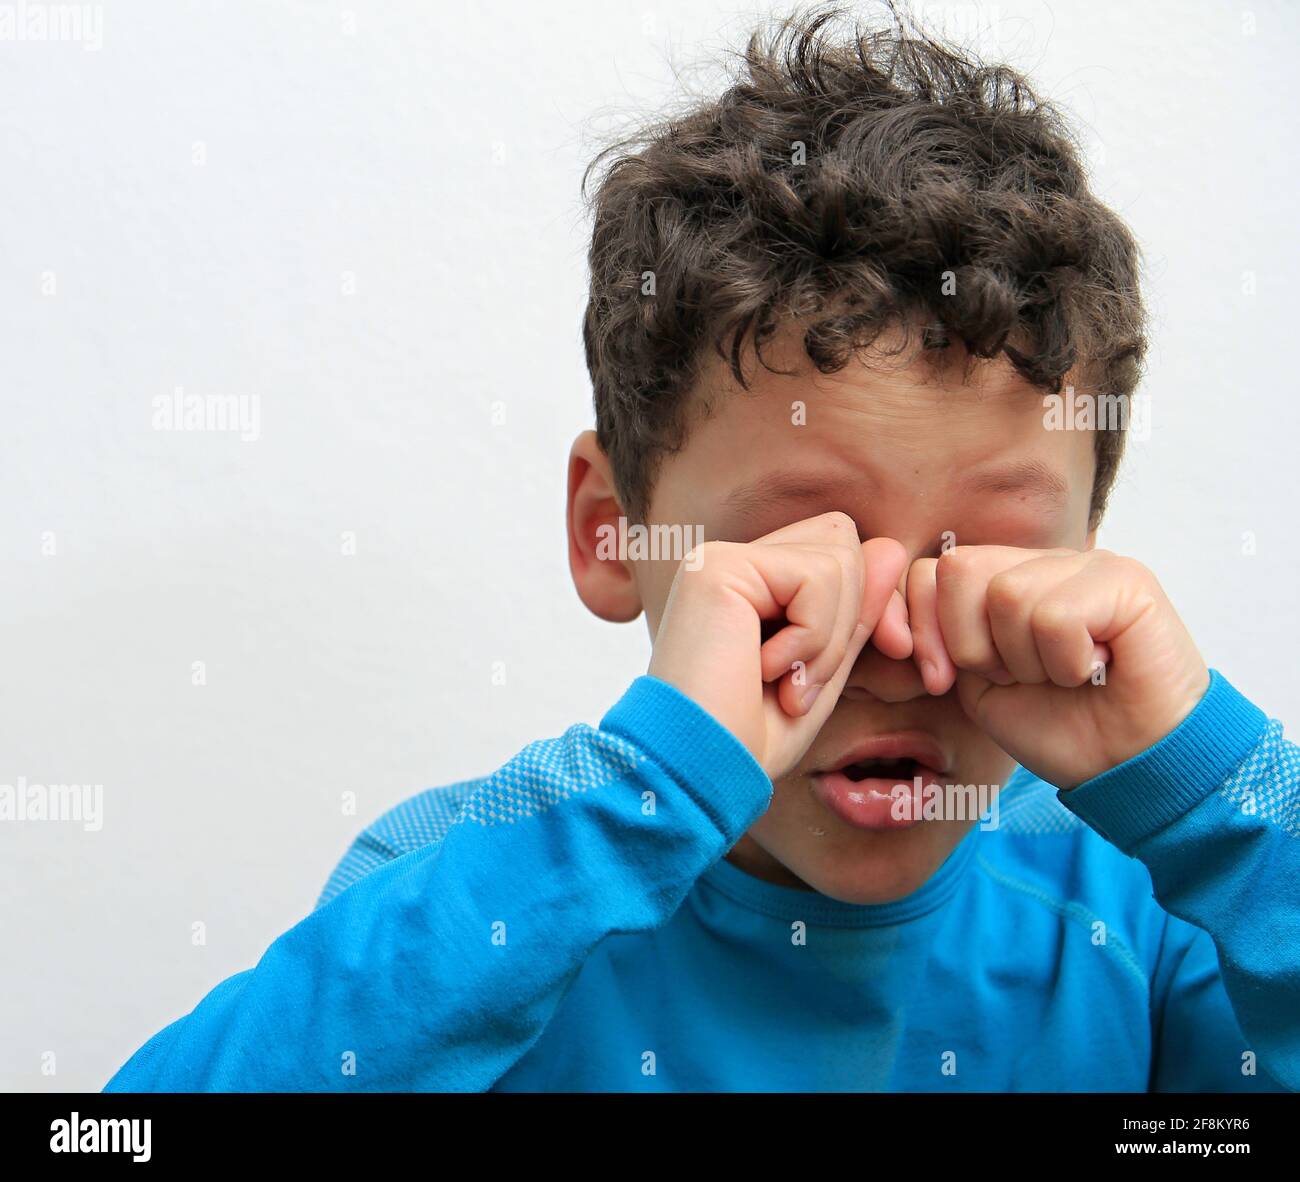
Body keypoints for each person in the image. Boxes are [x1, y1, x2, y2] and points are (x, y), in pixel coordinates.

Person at [103, 3, 1298, 1092]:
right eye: (801, 547)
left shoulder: (1151, 915)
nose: (893, 643)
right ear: (611, 531)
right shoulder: (486, 888)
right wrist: (644, 791)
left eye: (989, 553)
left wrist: (1217, 784)